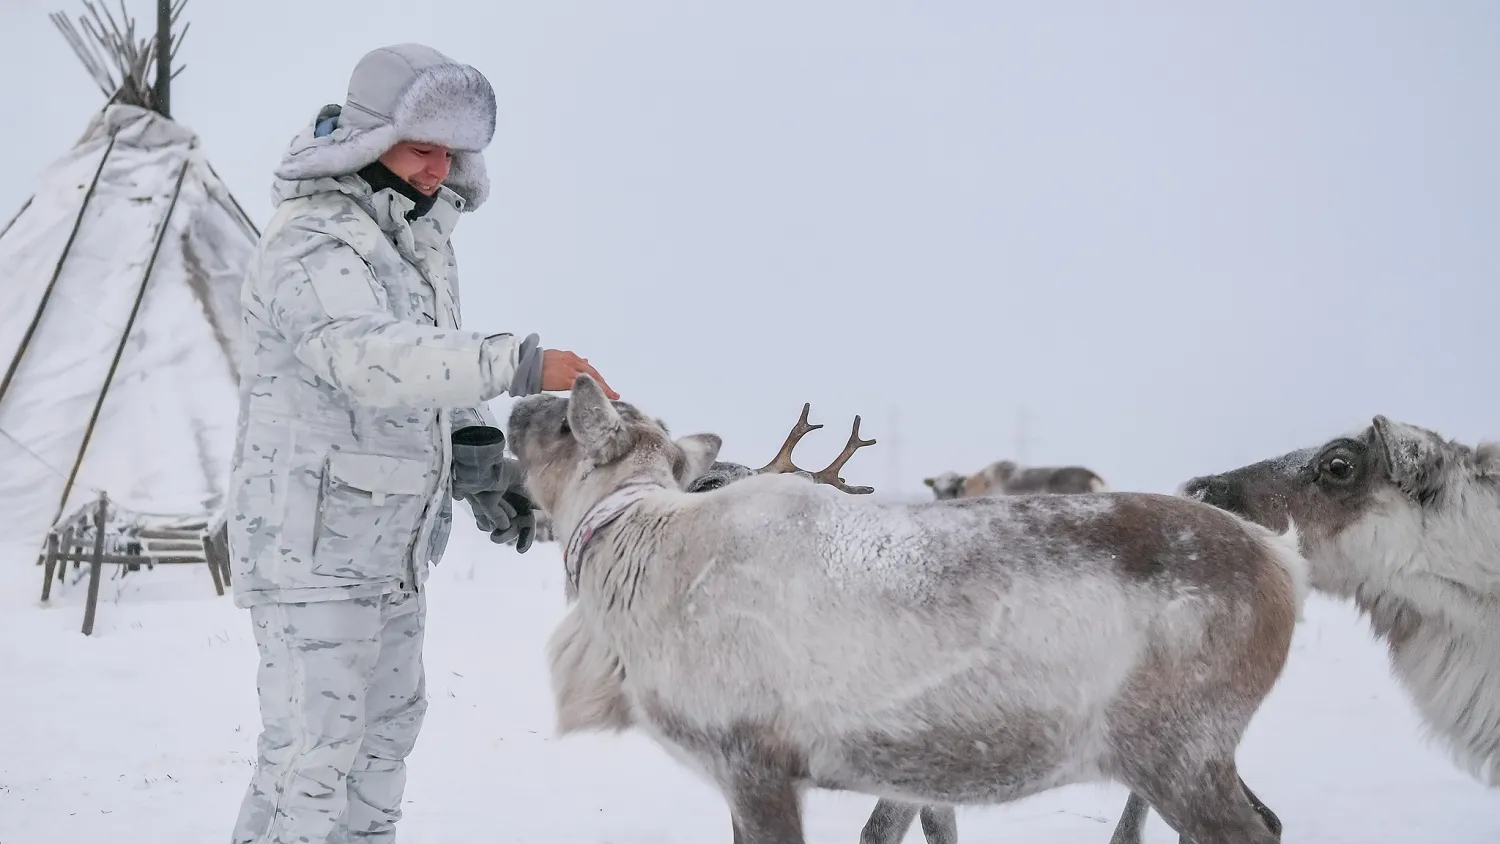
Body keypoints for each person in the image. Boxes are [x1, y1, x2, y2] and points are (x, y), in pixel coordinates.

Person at [226, 43, 616, 844]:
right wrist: (521, 362)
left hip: (390, 552)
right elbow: (369, 356)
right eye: (421, 149)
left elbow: (431, 363)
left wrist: (478, 460)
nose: (439, 170)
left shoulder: (421, 240)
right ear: (371, 141)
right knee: (311, 760)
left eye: (450, 152)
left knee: (382, 747)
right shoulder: (312, 243)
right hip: (313, 551)